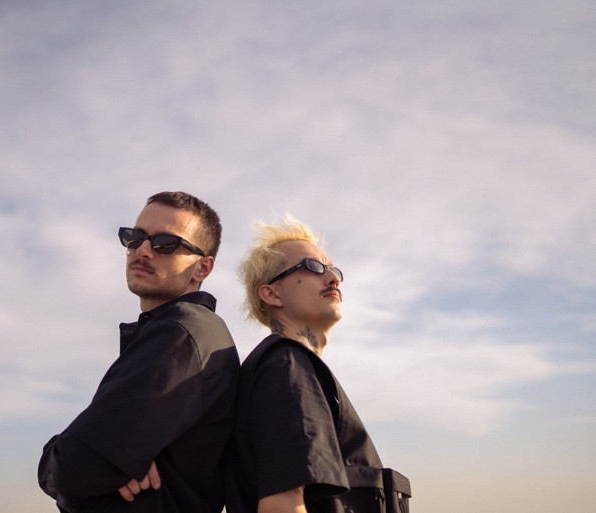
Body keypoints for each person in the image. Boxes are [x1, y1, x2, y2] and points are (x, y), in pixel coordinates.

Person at [38, 191, 240, 513]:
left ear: (202, 268)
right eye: (135, 238)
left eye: (165, 244)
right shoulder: (185, 331)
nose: (143, 251)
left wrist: (58, 455)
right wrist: (113, 463)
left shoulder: (180, 335)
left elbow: (70, 470)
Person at [226, 216, 411, 513]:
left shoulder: (289, 366)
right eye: (312, 267)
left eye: (332, 268)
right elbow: (282, 505)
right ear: (272, 293)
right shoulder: (287, 367)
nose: (333, 278)